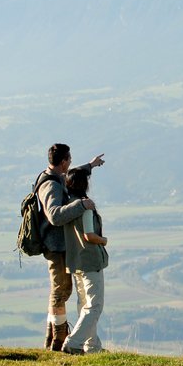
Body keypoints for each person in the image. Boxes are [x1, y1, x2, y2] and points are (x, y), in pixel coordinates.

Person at [36, 143, 105, 351]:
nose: (71, 162)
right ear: (64, 161)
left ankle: (84, 344)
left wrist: (90, 166)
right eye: (70, 159)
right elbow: (55, 215)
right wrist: (81, 205)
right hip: (55, 247)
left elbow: (71, 178)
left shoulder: (57, 178)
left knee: (69, 294)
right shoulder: (50, 185)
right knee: (61, 291)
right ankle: (58, 341)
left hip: (65, 246)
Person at [60, 166, 109, 354]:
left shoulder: (68, 206)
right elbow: (89, 235)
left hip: (75, 262)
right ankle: (74, 343)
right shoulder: (85, 206)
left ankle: (92, 346)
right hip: (90, 260)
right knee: (95, 306)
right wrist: (103, 240)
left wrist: (91, 164)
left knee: (84, 304)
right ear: (85, 184)